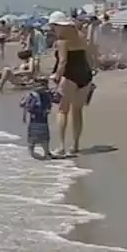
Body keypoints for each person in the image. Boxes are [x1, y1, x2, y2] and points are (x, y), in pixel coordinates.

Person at [48, 11, 95, 156]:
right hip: (85, 75)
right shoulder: (81, 35)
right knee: (77, 111)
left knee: (63, 110)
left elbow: (63, 62)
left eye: (53, 26)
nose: (52, 29)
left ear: (58, 25)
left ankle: (61, 146)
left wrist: (56, 76)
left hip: (69, 76)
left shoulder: (62, 40)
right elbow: (89, 56)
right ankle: (75, 145)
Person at [20, 79, 54, 159]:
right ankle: (34, 153)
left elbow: (54, 101)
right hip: (36, 120)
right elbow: (22, 104)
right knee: (33, 138)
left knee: (42, 138)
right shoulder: (31, 95)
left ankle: (45, 152)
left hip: (40, 120)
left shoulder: (46, 95)